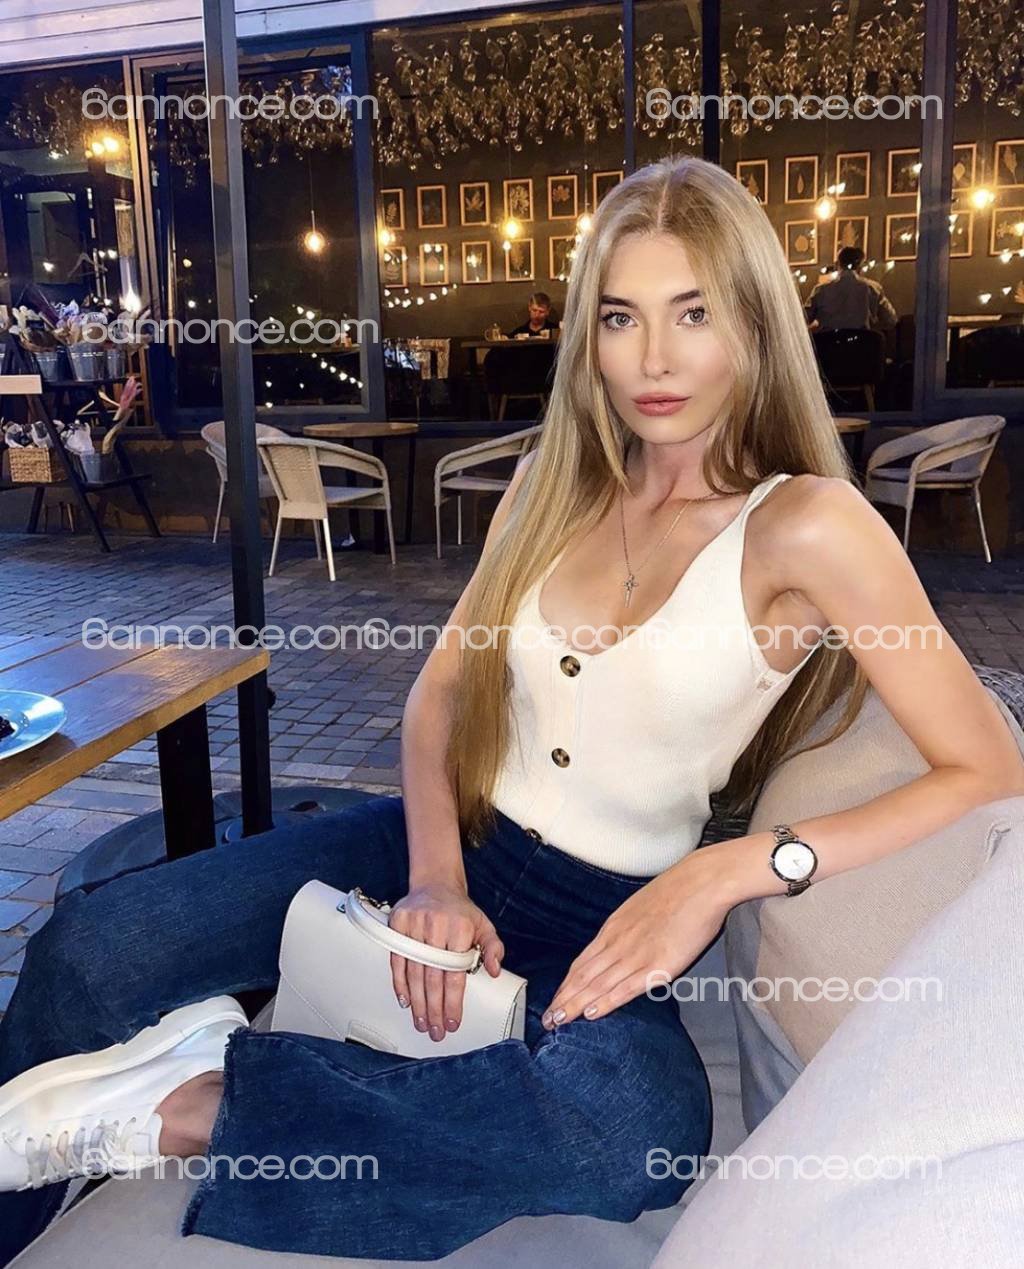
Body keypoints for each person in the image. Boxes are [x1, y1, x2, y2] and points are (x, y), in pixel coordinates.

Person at [2, 157, 1022, 1265]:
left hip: (607, 916)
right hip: (442, 838)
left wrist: (729, 872)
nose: (655, 359)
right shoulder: (549, 484)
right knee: (92, 948)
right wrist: (436, 878)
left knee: (634, 1134)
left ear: (756, 322)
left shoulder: (808, 525)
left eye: (694, 313)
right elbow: (441, 692)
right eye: (621, 317)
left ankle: (201, 1100)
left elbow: (989, 765)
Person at [806, 246, 898, 333]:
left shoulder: (820, 290)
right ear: (860, 266)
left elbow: (804, 318)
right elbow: (891, 320)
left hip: (830, 342)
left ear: (837, 264)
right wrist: (872, 326)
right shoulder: (873, 288)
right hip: (862, 342)